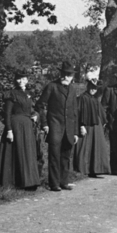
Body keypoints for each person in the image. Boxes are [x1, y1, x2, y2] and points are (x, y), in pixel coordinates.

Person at [35, 61, 81, 191]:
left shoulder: (73, 89)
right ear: (60, 74)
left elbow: (75, 112)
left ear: (72, 76)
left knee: (66, 156)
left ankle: (63, 182)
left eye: (69, 75)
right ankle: (54, 183)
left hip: (69, 128)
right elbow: (39, 105)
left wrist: (76, 132)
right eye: (64, 74)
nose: (66, 77)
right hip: (54, 126)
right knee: (54, 155)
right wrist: (44, 124)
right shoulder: (52, 86)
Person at [0, 69, 42, 189]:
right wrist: (9, 130)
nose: (21, 81)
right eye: (19, 78)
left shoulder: (29, 94)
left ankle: (29, 182)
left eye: (24, 78)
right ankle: (12, 182)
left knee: (28, 152)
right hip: (16, 126)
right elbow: (7, 113)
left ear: (27, 80)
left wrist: (36, 115)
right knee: (17, 152)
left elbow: (32, 110)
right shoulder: (11, 94)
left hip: (28, 126)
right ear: (16, 80)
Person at [73, 68, 112, 177]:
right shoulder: (81, 98)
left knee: (97, 146)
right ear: (88, 86)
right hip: (86, 126)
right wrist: (81, 125)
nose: (93, 90)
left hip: (97, 126)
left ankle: (96, 169)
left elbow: (100, 112)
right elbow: (78, 112)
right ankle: (83, 169)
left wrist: (104, 122)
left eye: (95, 88)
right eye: (92, 87)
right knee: (85, 147)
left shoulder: (94, 99)